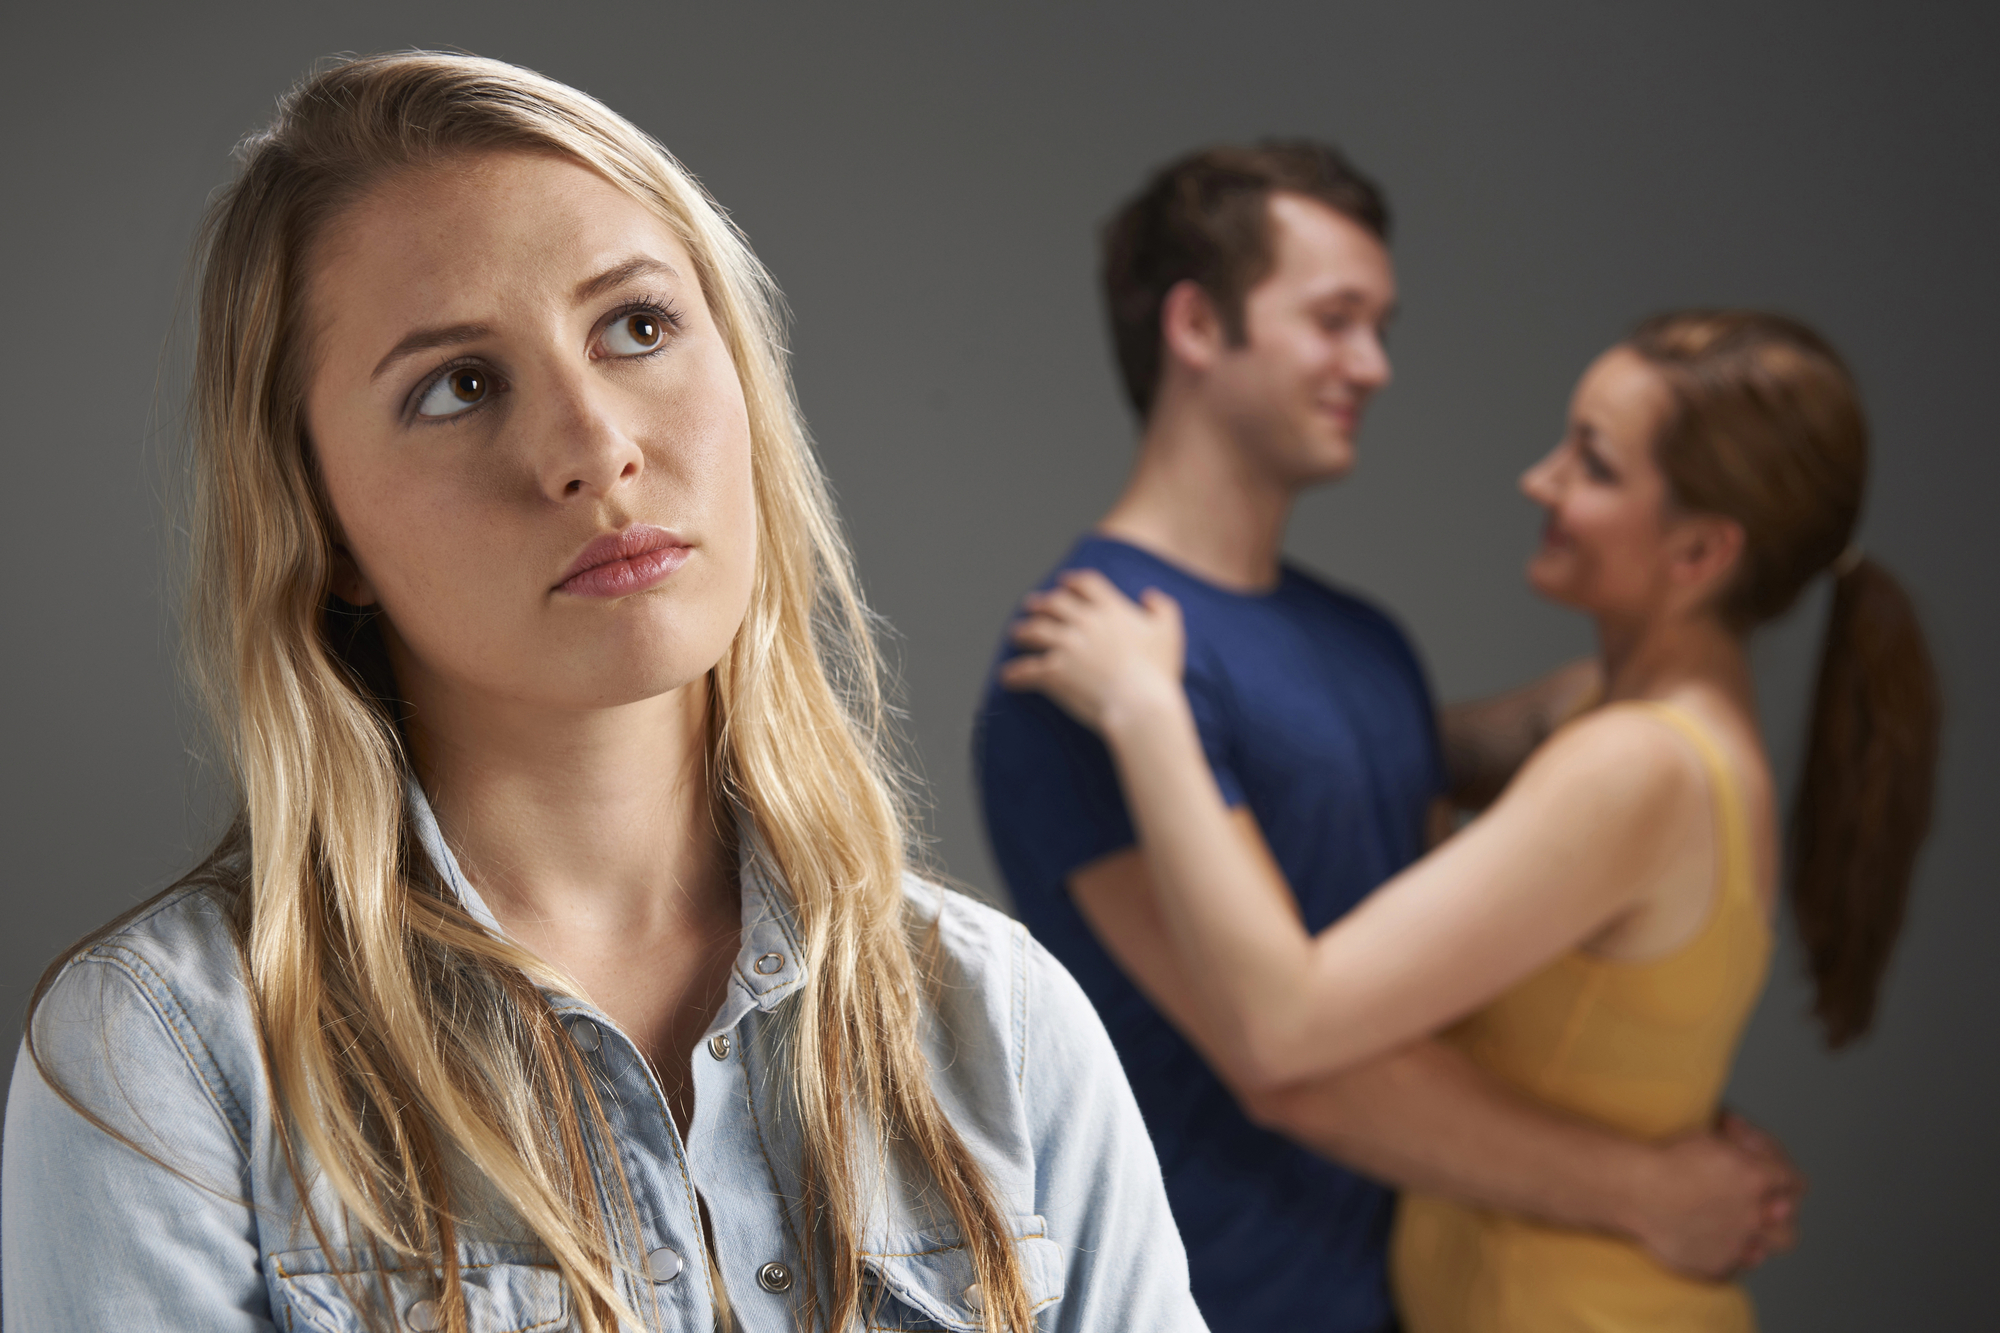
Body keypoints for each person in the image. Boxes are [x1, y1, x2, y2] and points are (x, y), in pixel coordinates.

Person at [2, 52, 1203, 1333]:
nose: (594, 448)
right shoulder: (171, 1058)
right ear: (323, 526)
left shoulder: (997, 1023)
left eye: (637, 326)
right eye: (456, 385)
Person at [973, 146, 1806, 1333]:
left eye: (1380, 324)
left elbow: (1434, 996)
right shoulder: (1079, 664)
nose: (1373, 364)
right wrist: (1650, 1188)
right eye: (1334, 320)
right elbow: (1298, 1069)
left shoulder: (1367, 646)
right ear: (1199, 324)